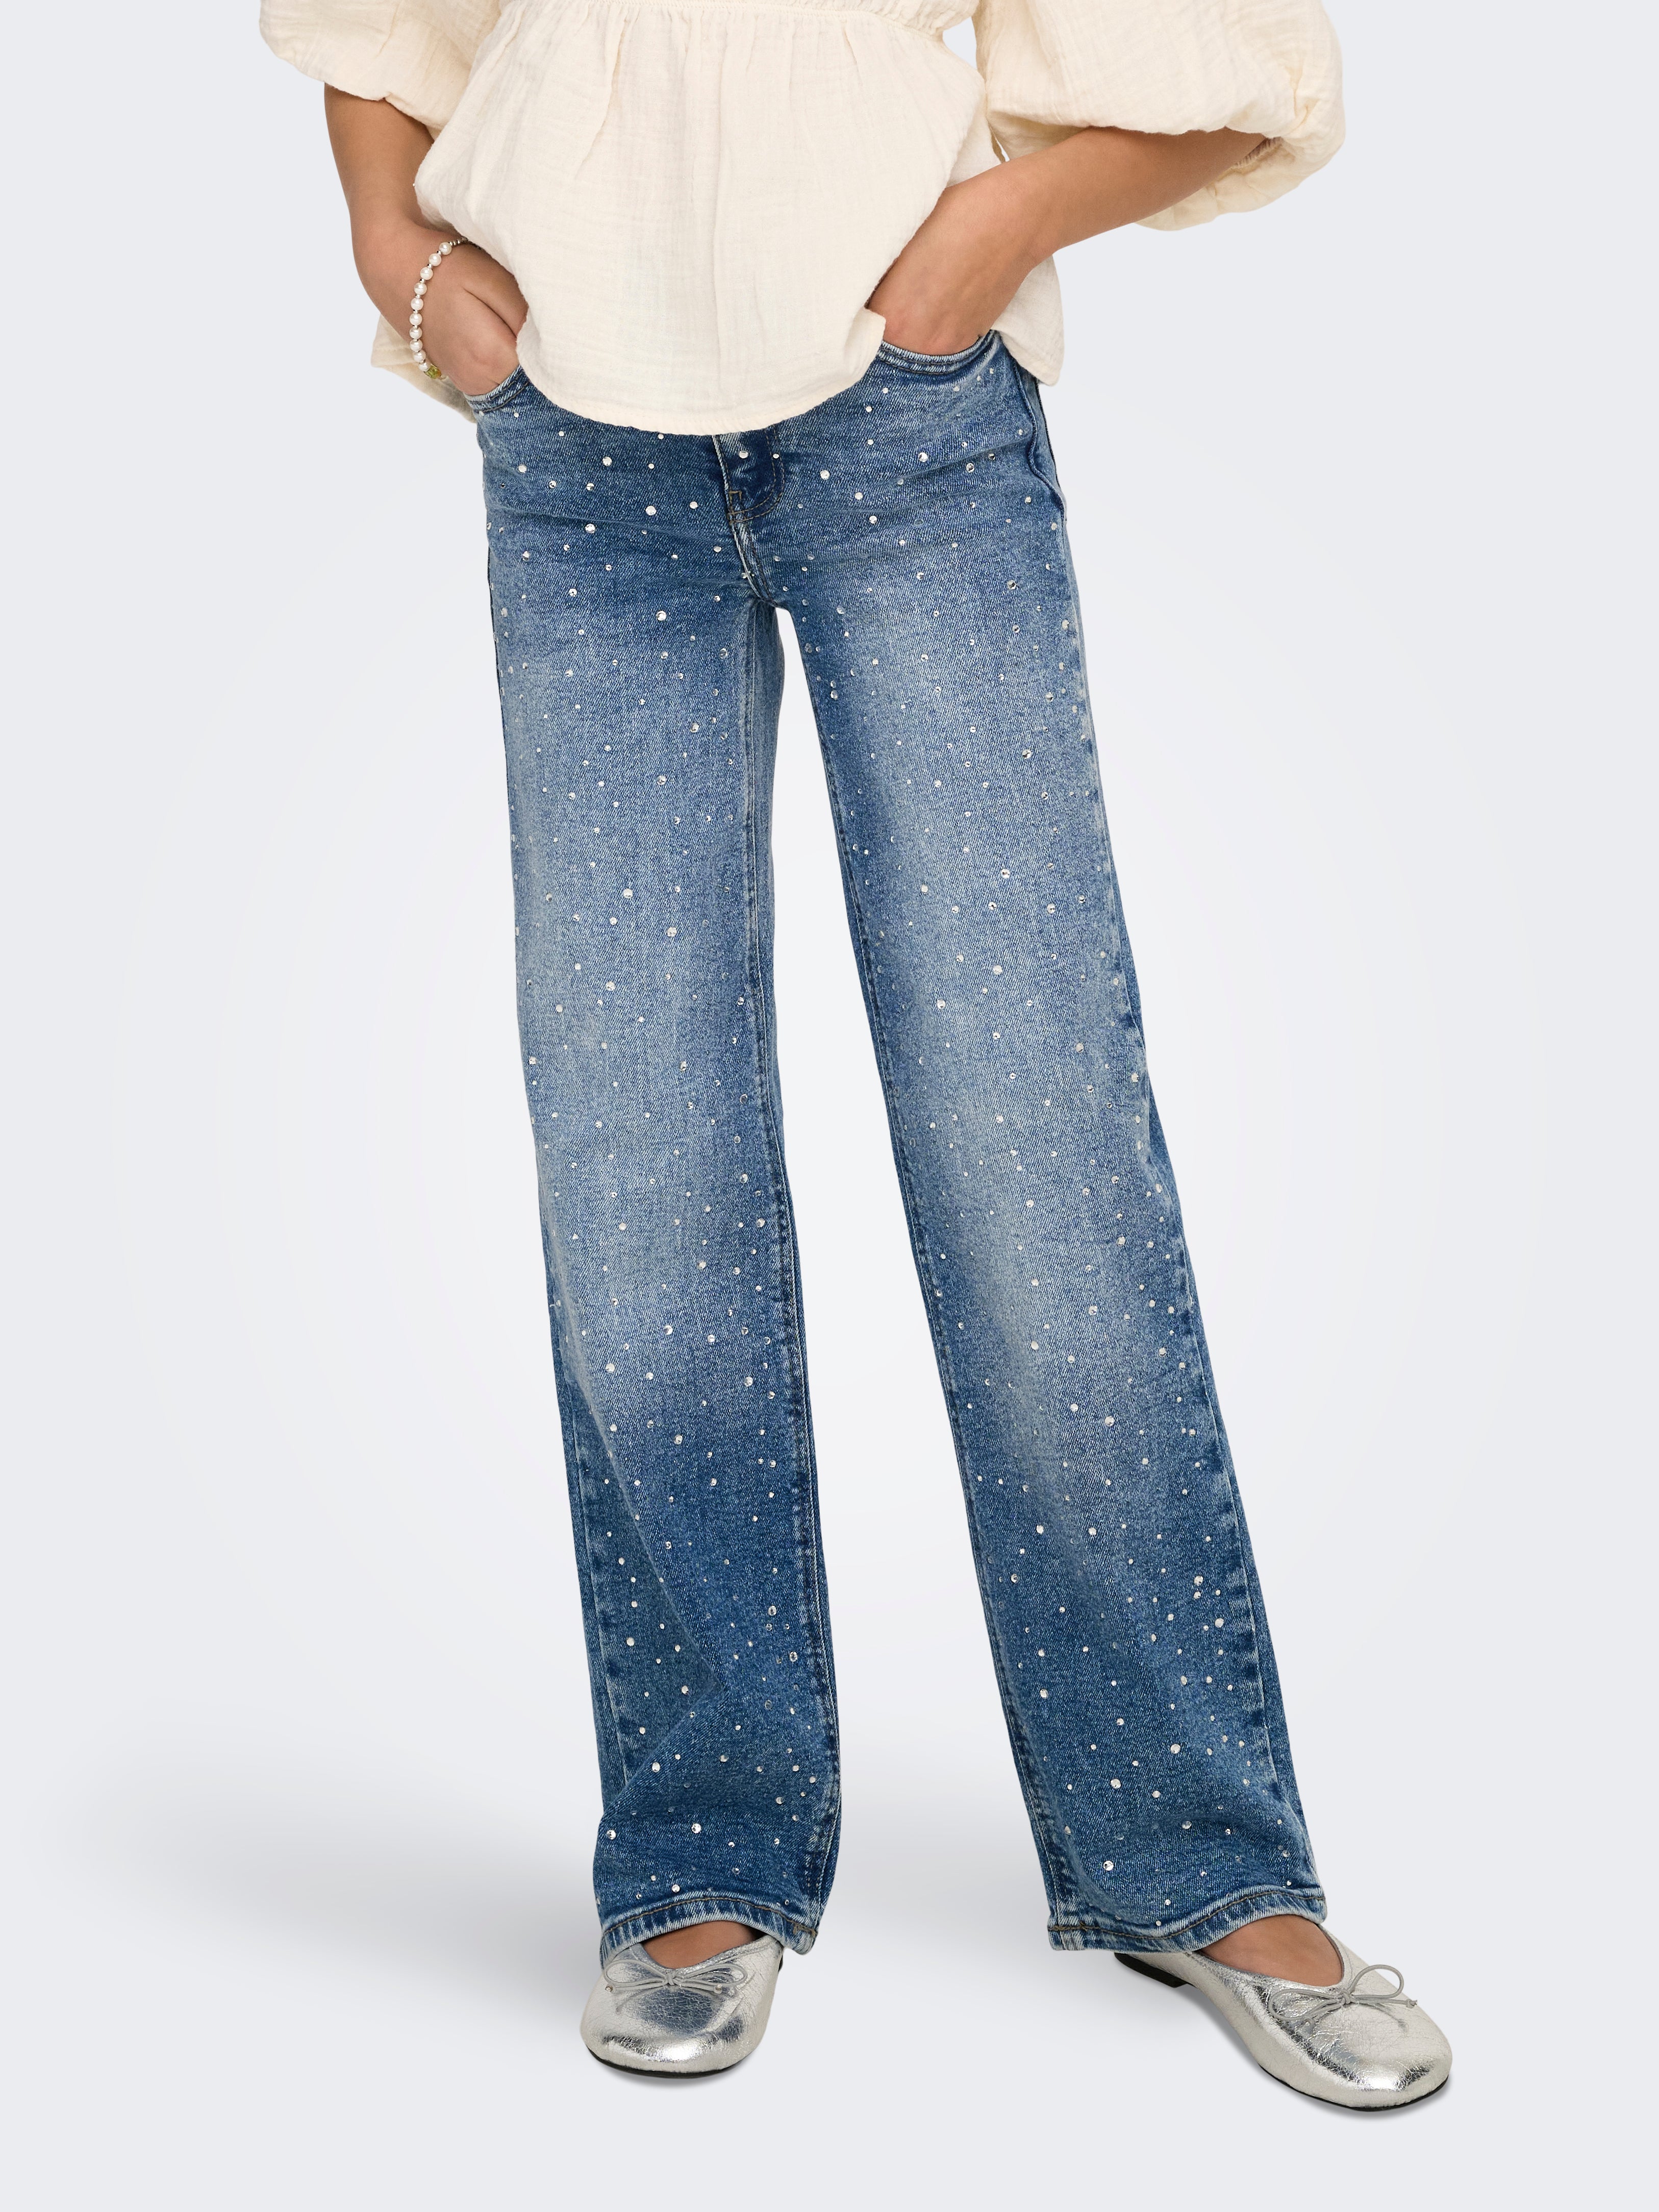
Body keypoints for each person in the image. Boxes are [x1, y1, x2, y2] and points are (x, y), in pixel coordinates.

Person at [262, 0, 1451, 2106]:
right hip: (572, 443)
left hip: (907, 425)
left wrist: (991, 235)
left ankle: (1195, 1856)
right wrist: (397, 250)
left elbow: (1247, 74)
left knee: (1035, 1147)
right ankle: (699, 1851)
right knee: (637, 1158)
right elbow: (376, 26)